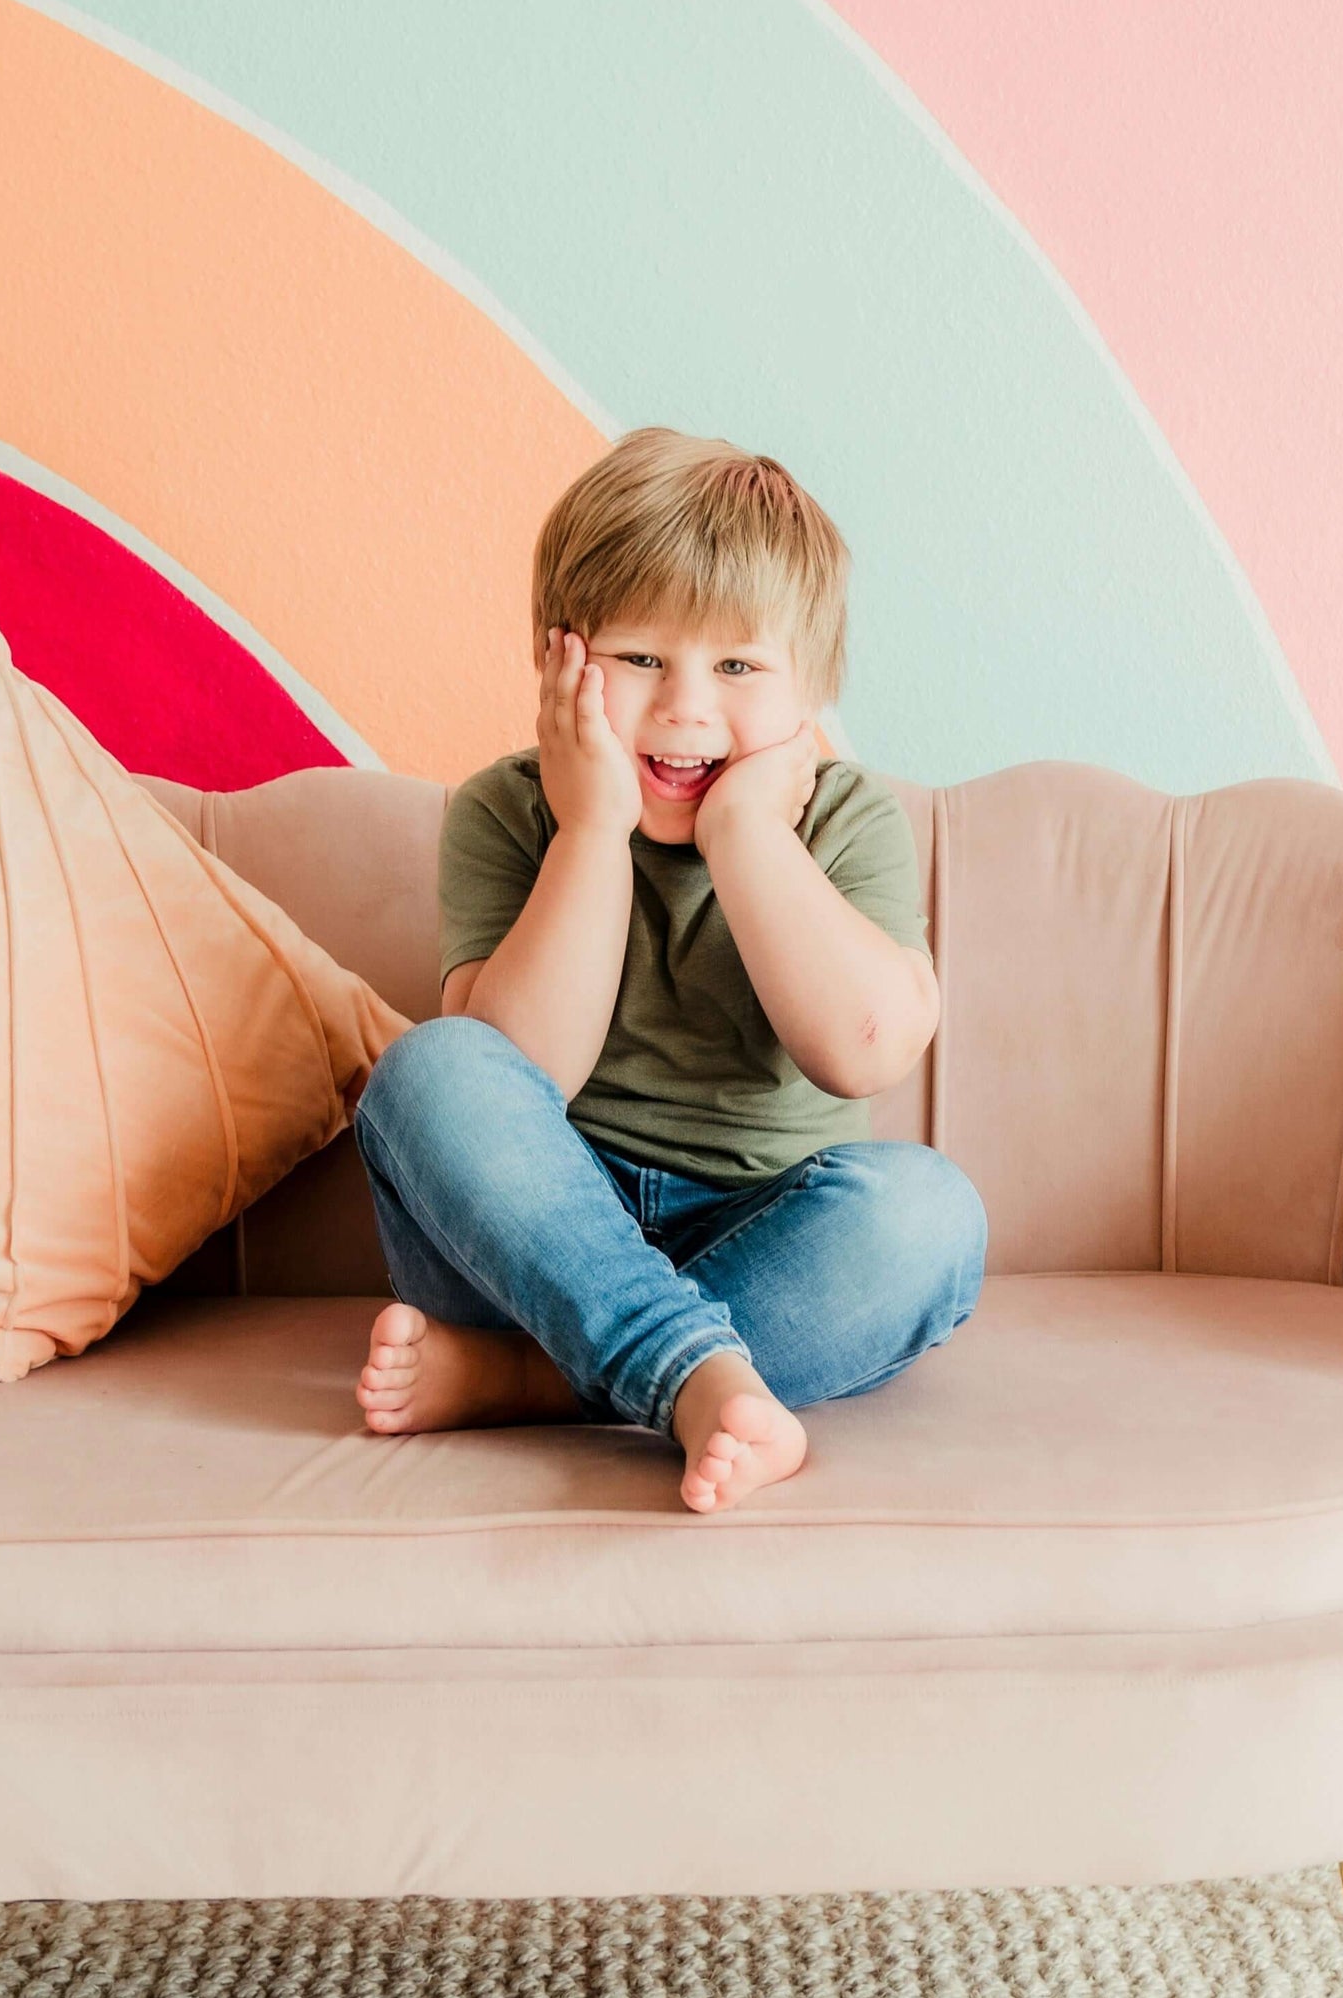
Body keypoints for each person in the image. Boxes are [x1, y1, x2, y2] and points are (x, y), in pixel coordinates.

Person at [351, 427, 987, 1514]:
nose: (688, 707)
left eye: (738, 667)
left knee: (931, 1217)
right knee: (431, 1068)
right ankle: (689, 1370)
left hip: (763, 1236)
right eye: (642, 659)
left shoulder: (848, 822)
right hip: (526, 1249)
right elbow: (523, 1068)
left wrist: (748, 834)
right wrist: (592, 829)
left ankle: (538, 1381)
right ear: (562, 660)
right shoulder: (508, 812)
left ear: (812, 695)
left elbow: (863, 1051)